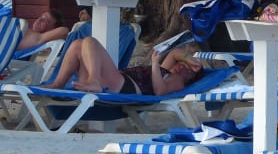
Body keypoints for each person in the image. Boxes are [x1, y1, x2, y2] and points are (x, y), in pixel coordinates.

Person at [39, 36, 203, 95]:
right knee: (77, 44)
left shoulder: (177, 81)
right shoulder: (166, 70)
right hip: (116, 81)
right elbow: (175, 52)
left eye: (188, 72)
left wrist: (154, 64)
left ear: (189, 80)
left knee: (90, 41)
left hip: (126, 86)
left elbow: (160, 91)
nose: (183, 68)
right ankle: (58, 84)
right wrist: (189, 58)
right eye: (183, 65)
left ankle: (94, 81)